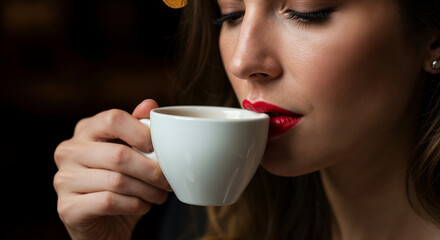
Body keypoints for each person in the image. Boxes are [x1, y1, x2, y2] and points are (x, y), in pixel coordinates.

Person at [53, 0, 440, 239]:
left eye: (308, 12)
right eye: (231, 15)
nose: (242, 61)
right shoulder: (201, 224)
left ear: (434, 39)